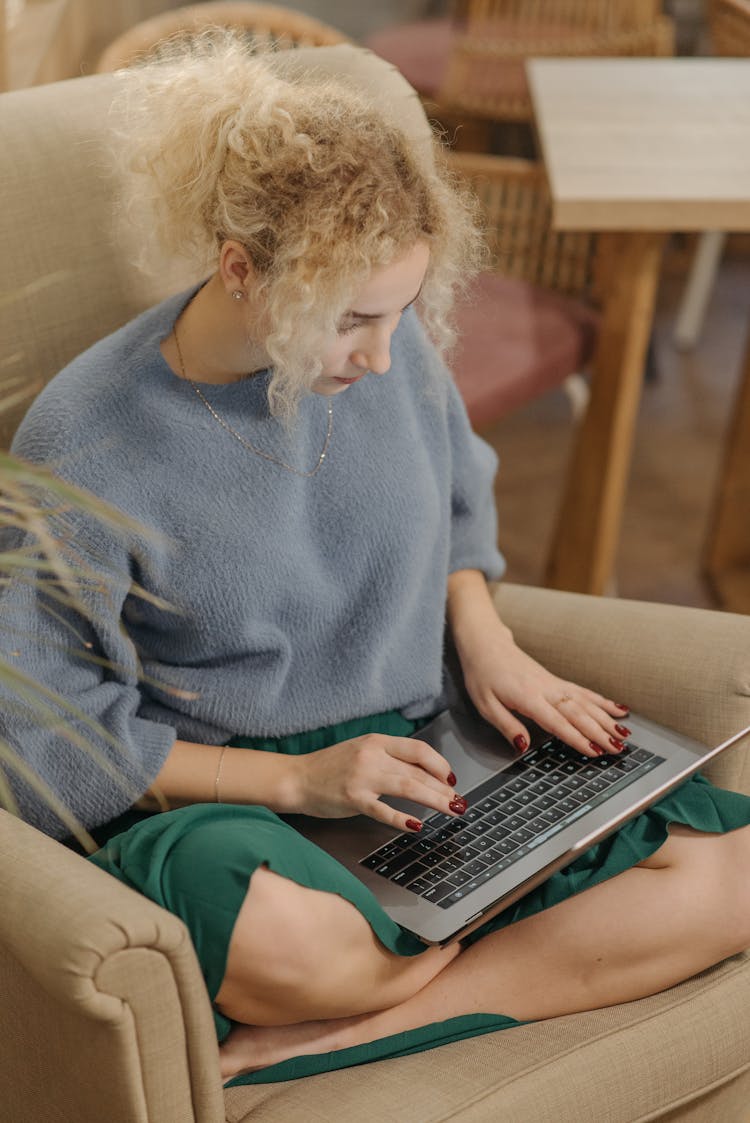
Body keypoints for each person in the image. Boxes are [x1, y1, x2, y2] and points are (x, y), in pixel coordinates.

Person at [1, 35, 748, 1088]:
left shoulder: (380, 363)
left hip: (424, 757)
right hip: (231, 801)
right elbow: (41, 728)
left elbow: (454, 493)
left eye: (402, 311)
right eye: (352, 319)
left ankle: (371, 1018)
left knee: (738, 881)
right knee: (279, 938)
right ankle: (454, 962)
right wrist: (298, 781)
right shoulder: (88, 437)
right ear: (240, 268)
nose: (387, 357)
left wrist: (487, 641)